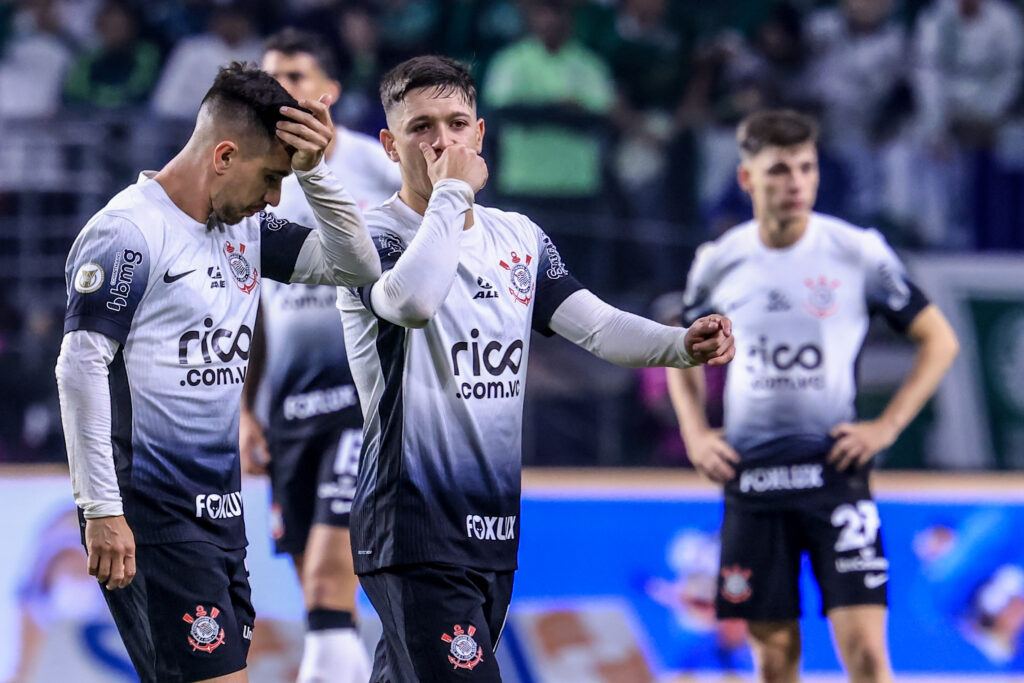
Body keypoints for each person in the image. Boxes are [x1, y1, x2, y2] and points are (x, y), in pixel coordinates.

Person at [337, 55, 735, 683]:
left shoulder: (518, 237)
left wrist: (681, 343)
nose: (442, 141)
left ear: (480, 135)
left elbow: (600, 328)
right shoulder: (367, 235)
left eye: (457, 122)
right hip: (410, 524)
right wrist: (450, 194)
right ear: (389, 145)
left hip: (493, 527)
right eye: (420, 127)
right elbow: (412, 302)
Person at [55, 62, 380, 683]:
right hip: (150, 511)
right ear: (225, 155)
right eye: (274, 177)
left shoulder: (247, 230)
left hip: (222, 517)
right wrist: (101, 509)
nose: (275, 197)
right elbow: (79, 370)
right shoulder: (127, 233)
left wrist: (317, 174)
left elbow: (358, 267)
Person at [666, 110, 960, 683]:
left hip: (835, 473)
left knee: (870, 659)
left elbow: (939, 340)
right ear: (747, 179)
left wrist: (886, 427)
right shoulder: (719, 260)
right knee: (775, 661)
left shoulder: (858, 251)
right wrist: (697, 433)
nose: (796, 182)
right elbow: (682, 351)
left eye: (806, 167)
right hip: (753, 480)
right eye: (779, 170)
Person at [238, 28, 400, 683]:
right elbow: (247, 309)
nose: (281, 91)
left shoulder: (376, 166)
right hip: (289, 408)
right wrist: (247, 410)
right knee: (317, 587)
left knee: (333, 575)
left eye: (296, 78)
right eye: (270, 79)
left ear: (328, 92)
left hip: (366, 401)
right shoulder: (252, 182)